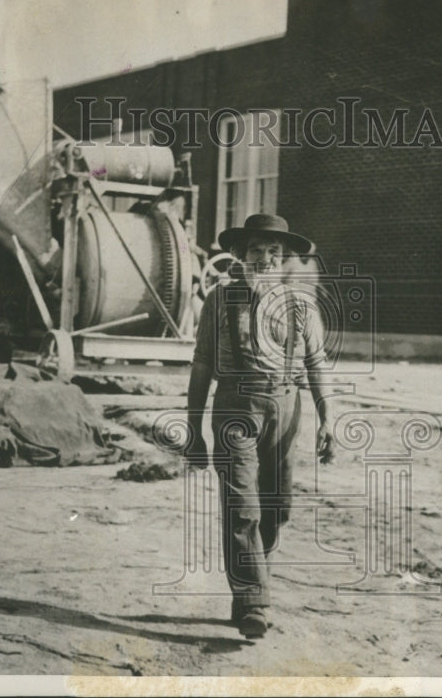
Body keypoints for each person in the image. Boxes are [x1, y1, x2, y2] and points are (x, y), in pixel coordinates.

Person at [185, 214, 334, 639]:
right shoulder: (219, 301)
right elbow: (201, 365)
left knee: (276, 507)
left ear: (285, 259)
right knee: (243, 506)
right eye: (256, 251)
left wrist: (329, 417)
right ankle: (255, 601)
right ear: (240, 256)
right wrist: (194, 428)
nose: (266, 259)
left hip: (286, 407)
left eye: (275, 252)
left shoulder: (301, 304)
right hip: (236, 406)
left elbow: (316, 361)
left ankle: (248, 588)